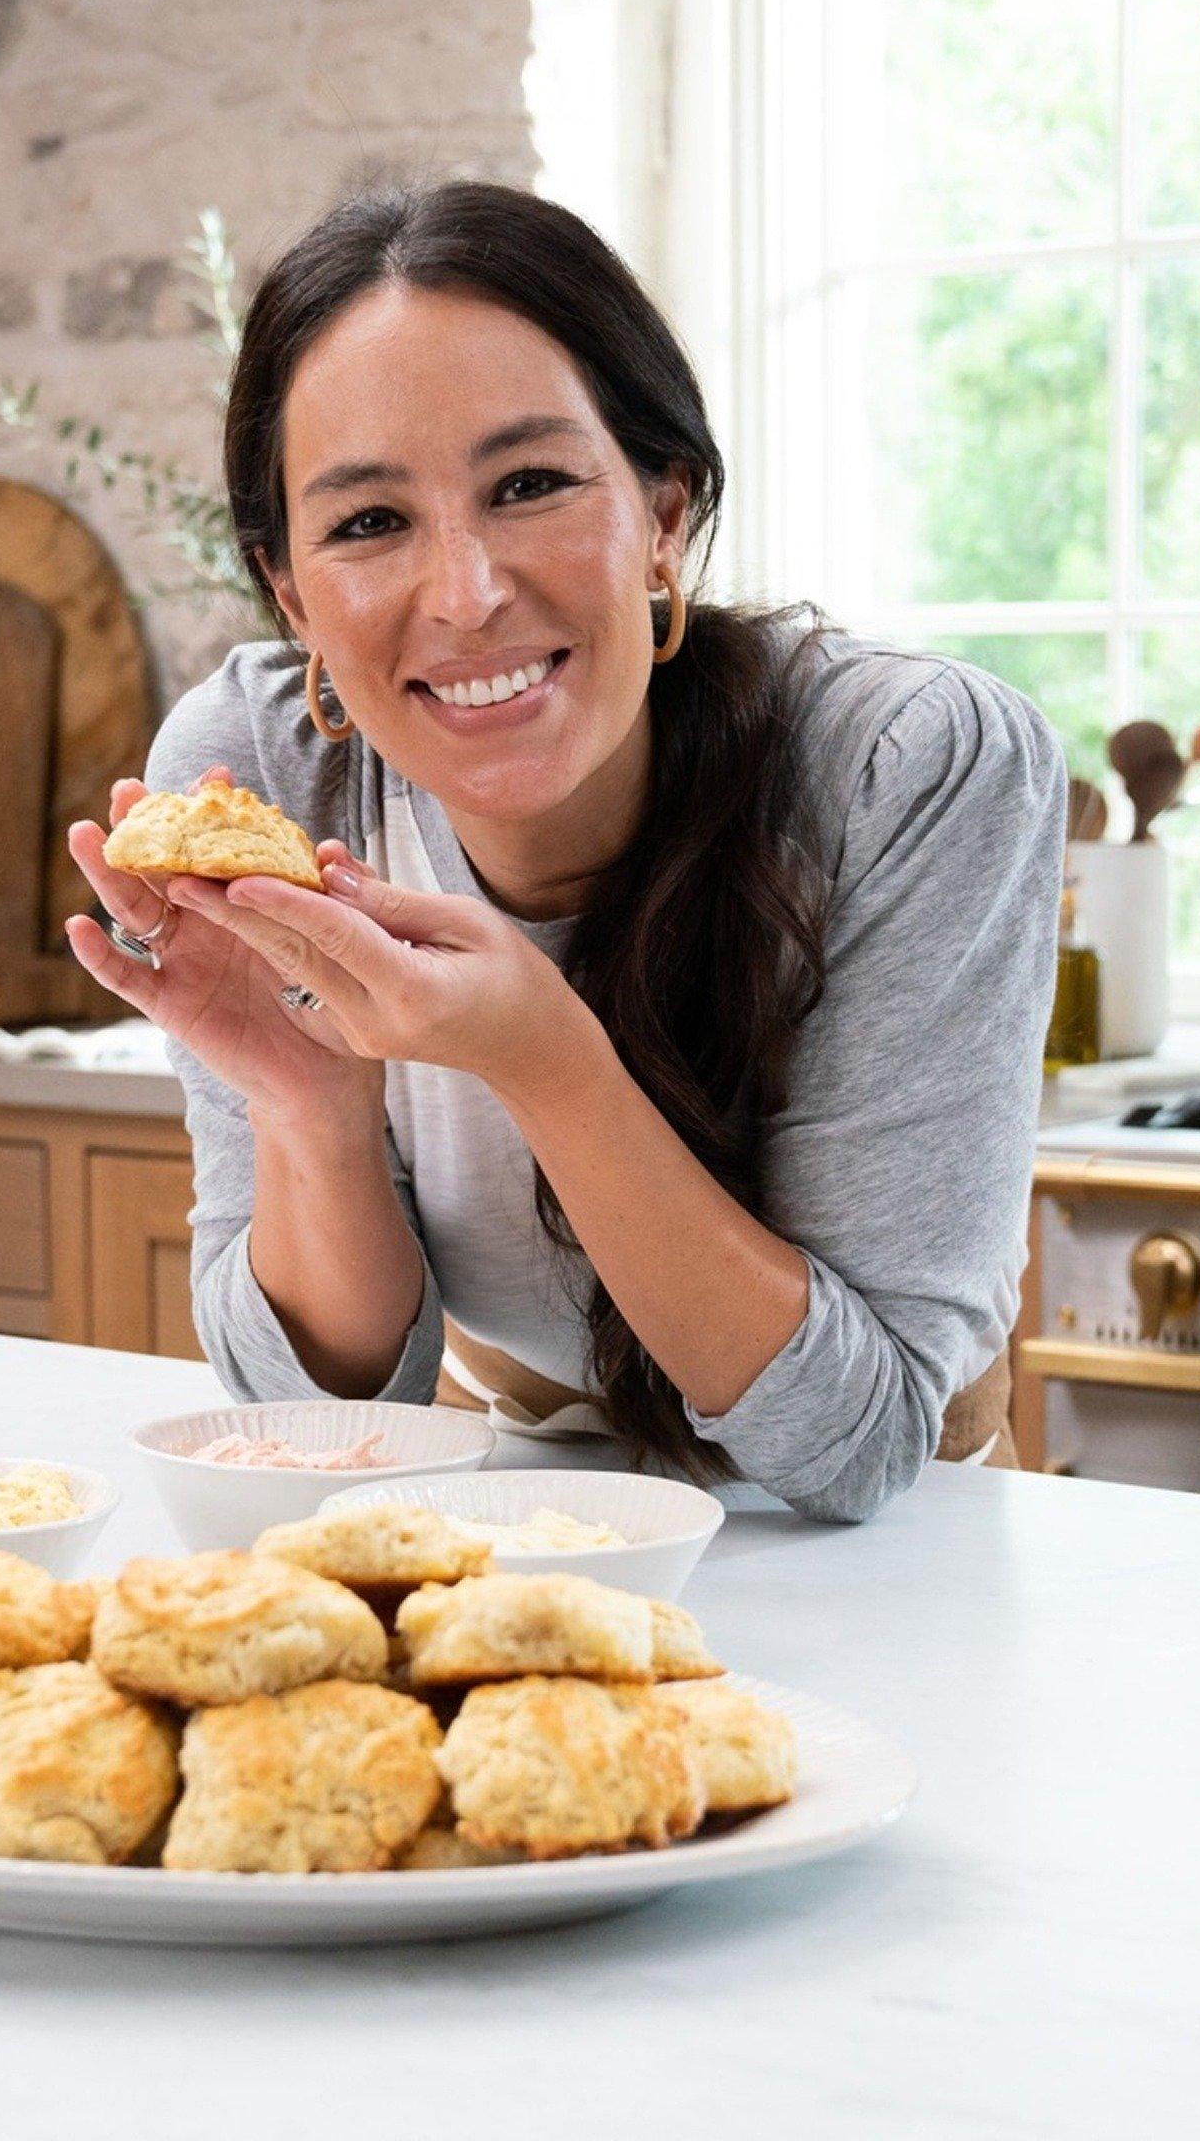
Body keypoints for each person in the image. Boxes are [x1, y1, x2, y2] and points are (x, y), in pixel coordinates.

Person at [62, 181, 1061, 1522]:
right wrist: (310, 1106)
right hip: (536, 1529)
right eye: (368, 523)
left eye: (529, 485)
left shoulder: (911, 765)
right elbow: (319, 1419)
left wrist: (543, 1057)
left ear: (662, 514)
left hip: (879, 1556)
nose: (466, 596)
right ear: (293, 592)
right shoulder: (266, 771)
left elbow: (860, 1443)